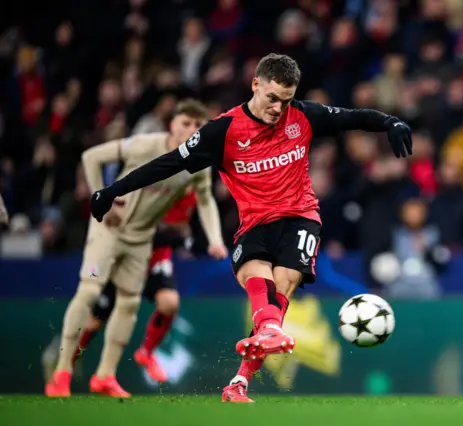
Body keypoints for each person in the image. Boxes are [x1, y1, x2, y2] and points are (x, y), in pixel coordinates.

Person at [89, 53, 413, 402]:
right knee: (263, 291)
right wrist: (112, 191)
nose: (278, 108)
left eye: (285, 100)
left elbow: (353, 118)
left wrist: (391, 122)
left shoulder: (301, 115)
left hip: (300, 216)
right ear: (255, 84)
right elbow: (168, 164)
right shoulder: (223, 130)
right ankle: (240, 379)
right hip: (254, 223)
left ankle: (263, 340)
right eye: (272, 98)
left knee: (282, 286)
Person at [46, 99, 228, 398]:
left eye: (198, 125)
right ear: (172, 124)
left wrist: (216, 240)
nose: (192, 129)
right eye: (186, 122)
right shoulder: (145, 145)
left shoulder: (198, 164)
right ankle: (62, 370)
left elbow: (206, 200)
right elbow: (91, 156)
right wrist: (99, 197)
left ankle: (105, 375)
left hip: (142, 239)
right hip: (109, 231)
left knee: (129, 304)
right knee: (90, 291)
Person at [73, 190, 198, 383]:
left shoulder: (191, 192)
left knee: (169, 303)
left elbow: (185, 225)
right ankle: (67, 362)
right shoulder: (143, 185)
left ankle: (146, 352)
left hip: (155, 259)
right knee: (95, 321)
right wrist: (180, 240)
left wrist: (193, 238)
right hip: (125, 259)